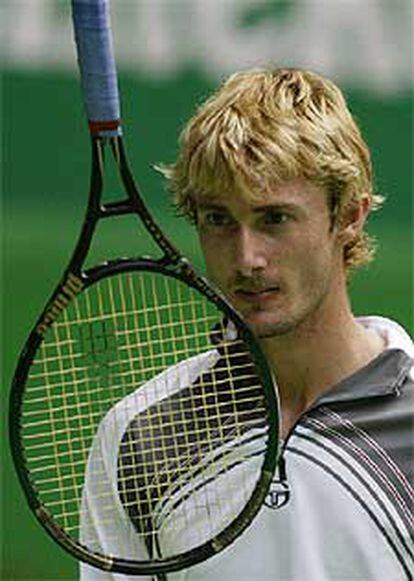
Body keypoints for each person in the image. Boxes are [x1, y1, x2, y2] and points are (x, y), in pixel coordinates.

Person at [80, 68, 414, 580]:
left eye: (273, 219)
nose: (246, 258)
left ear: (349, 215)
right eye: (218, 220)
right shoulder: (138, 435)